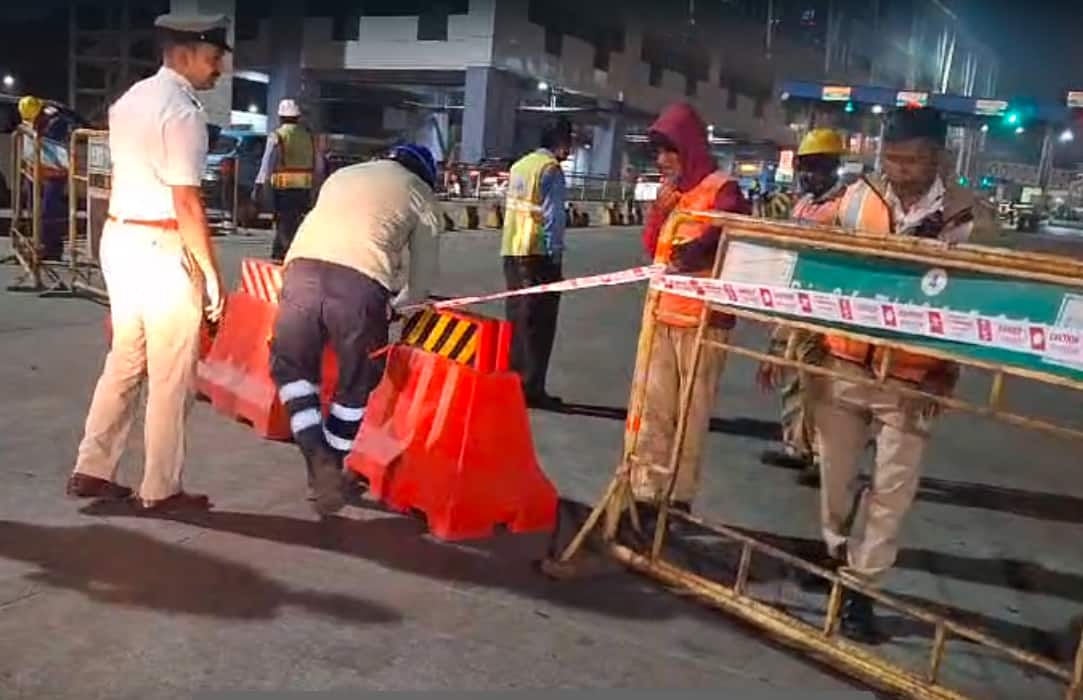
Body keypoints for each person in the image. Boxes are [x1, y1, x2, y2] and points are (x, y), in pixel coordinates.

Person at [807, 107, 996, 642]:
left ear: (938, 156)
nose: (901, 169)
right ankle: (836, 558)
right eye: (892, 157)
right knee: (836, 479)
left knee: (892, 489)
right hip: (844, 360)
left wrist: (948, 370)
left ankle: (862, 589)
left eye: (913, 159)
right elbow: (815, 256)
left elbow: (976, 303)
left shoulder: (968, 216)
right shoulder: (856, 196)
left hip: (915, 374)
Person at [66, 14, 230, 512]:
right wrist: (212, 279)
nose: (218, 70)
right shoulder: (182, 111)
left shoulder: (131, 99)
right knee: (171, 373)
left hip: (119, 238)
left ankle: (92, 468)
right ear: (183, 54)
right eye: (212, 59)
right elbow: (186, 202)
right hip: (161, 249)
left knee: (125, 360)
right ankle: (161, 488)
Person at [269, 143, 441, 516]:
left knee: (292, 370)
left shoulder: (343, 175)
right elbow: (422, 281)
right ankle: (329, 462)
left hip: (299, 274)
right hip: (359, 287)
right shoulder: (420, 193)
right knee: (356, 381)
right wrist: (397, 308)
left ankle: (317, 458)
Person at [630, 101, 751, 515]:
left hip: (703, 323)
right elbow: (654, 249)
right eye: (658, 153)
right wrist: (659, 214)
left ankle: (677, 500)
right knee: (654, 412)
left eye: (670, 151)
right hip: (662, 316)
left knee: (689, 419)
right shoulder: (673, 196)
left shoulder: (723, 190)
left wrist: (696, 252)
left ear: (690, 148)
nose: (662, 161)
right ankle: (646, 492)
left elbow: (729, 235)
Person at [757, 128, 847, 484]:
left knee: (821, 385)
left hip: (825, 304)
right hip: (794, 299)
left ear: (833, 168)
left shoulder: (845, 207)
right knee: (792, 376)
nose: (810, 175)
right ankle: (796, 445)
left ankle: (824, 458)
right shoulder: (803, 204)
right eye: (805, 168)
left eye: (818, 167)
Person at [501, 118, 572, 409]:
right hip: (537, 255)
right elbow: (553, 218)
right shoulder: (550, 169)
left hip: (511, 251)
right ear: (562, 142)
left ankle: (513, 382)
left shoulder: (520, 166)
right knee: (539, 324)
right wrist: (555, 254)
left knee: (518, 322)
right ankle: (531, 389)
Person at [253, 98, 323, 261]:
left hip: (283, 187)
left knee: (283, 222)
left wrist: (259, 185)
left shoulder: (277, 135)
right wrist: (316, 187)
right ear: (298, 117)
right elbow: (318, 164)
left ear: (280, 117)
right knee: (295, 221)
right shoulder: (308, 137)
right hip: (304, 188)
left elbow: (267, 163)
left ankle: (284, 253)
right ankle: (280, 252)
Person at [17, 95, 75, 261]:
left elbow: (52, 147)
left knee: (48, 210)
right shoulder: (39, 118)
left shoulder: (56, 122)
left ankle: (51, 248)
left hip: (54, 172)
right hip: (38, 170)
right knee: (36, 208)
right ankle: (39, 243)